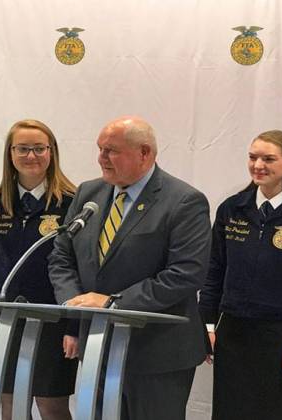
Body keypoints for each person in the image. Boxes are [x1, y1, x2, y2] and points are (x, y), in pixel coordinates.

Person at [47, 116, 211, 420]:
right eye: (99, 149)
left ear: (144, 153)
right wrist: (73, 300)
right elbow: (61, 256)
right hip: (98, 346)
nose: (101, 158)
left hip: (157, 354)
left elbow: (186, 273)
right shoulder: (88, 194)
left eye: (111, 151)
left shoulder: (184, 201)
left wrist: (113, 303)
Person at [198, 130, 282, 420]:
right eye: (253, 157)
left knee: (274, 412)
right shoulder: (232, 209)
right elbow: (214, 270)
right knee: (230, 411)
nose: (258, 165)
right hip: (232, 331)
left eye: (269, 158)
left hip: (281, 335)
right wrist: (206, 322)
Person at [0, 119, 78, 419]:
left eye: (39, 148)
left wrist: (75, 326)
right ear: (10, 154)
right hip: (5, 319)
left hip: (55, 319)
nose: (31, 156)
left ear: (51, 152)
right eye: (23, 149)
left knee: (51, 406)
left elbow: (82, 269)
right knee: (10, 407)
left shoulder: (72, 203)